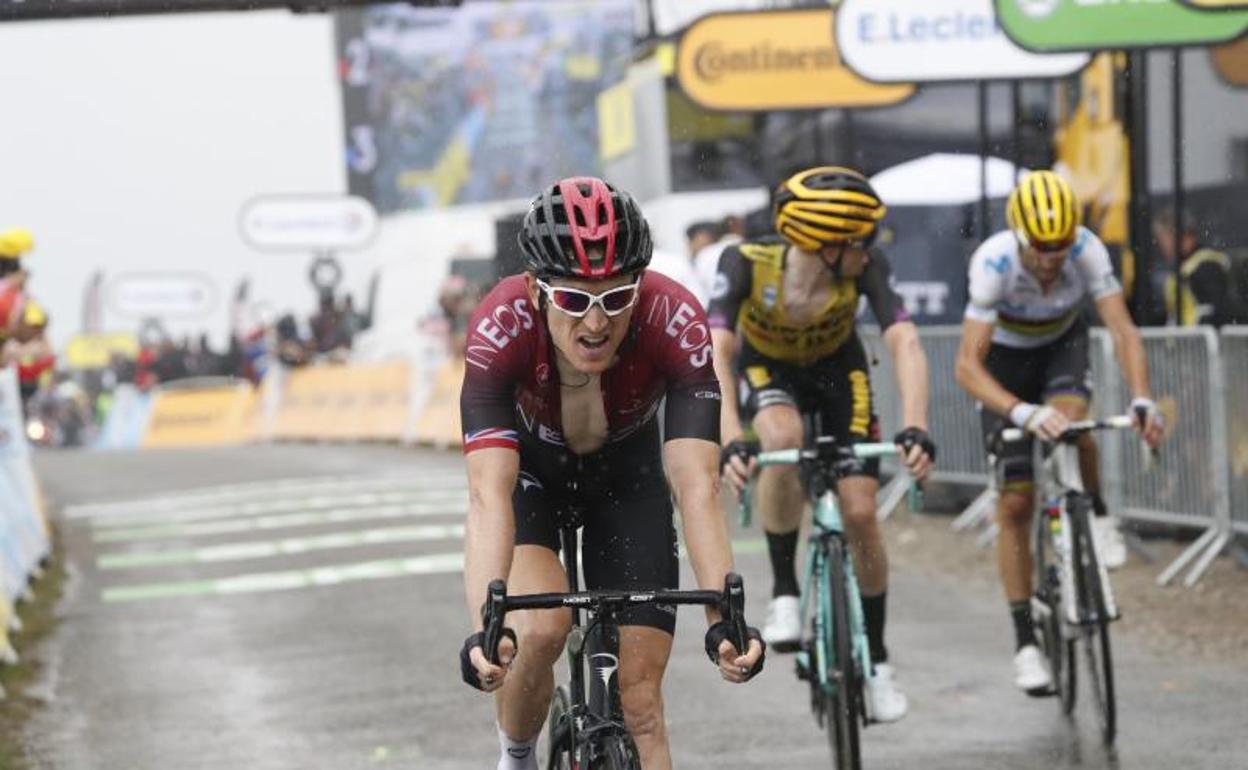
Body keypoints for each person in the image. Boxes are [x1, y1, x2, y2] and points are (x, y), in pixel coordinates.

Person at [458, 177, 764, 770]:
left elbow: (697, 486)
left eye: (616, 297)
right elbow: (486, 495)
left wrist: (724, 620)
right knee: (541, 632)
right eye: (574, 300)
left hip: (628, 481)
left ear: (641, 287)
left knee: (642, 704)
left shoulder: (675, 318)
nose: (596, 323)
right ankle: (517, 758)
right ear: (536, 291)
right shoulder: (500, 326)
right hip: (533, 482)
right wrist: (485, 627)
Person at [710, 166, 936, 724]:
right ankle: (785, 591)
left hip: (840, 373)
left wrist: (915, 424)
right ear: (824, 244)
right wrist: (732, 436)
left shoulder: (865, 269)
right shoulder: (744, 262)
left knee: (860, 510)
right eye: (861, 241)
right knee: (782, 439)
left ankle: (878, 662)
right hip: (771, 371)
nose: (872, 251)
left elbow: (903, 341)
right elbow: (717, 349)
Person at [954, 170, 1164, 695]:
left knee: (1072, 423)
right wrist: (1020, 413)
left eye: (1061, 245)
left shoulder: (1088, 250)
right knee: (1016, 504)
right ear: (1021, 236)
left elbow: (1122, 330)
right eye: (1041, 247)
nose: (1052, 257)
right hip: (1002, 366)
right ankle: (1026, 641)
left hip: (1059, 346)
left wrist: (1142, 396)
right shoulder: (993, 263)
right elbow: (966, 367)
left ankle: (1095, 515)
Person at [1150, 207, 1243, 327]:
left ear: (1175, 234)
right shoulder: (1187, 266)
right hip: (1190, 342)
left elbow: (1215, 312)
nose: (1162, 246)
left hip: (1201, 343)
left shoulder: (1206, 265)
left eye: (1163, 239)